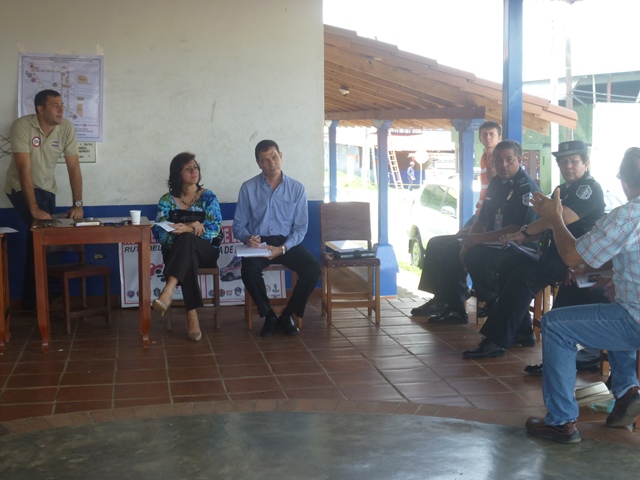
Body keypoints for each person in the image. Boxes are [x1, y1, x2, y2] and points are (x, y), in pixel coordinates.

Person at [525, 147, 640, 444]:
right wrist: (616, 276)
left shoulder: (629, 214)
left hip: (635, 321)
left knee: (554, 324)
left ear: (625, 182)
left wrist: (555, 218)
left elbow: (573, 257)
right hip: (629, 307)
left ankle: (561, 421)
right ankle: (627, 390)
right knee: (615, 302)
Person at [463, 140, 605, 359]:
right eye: (563, 162)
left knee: (523, 276)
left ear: (586, 163)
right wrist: (523, 235)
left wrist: (523, 232)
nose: (568, 166)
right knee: (510, 265)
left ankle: (497, 341)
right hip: (554, 253)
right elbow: (547, 222)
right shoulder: (563, 190)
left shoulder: (588, 189)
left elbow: (560, 219)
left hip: (576, 258)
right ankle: (521, 332)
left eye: (574, 161)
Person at [411, 140, 539, 324]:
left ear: (519, 160)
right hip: (494, 238)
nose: (503, 164)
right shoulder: (496, 183)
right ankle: (442, 299)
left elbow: (516, 229)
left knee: (463, 252)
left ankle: (489, 300)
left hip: (516, 243)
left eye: (509, 160)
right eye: (498, 160)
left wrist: (476, 239)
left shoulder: (525, 187)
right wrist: (470, 238)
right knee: (437, 243)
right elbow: (482, 219)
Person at [4, 89, 84, 312]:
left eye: (62, 105)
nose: (61, 110)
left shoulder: (66, 127)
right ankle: (42, 296)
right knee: (42, 232)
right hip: (20, 187)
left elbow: (74, 166)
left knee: (40, 239)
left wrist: (78, 204)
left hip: (47, 189)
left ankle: (34, 299)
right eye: (55, 106)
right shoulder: (22, 126)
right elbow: (23, 168)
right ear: (40, 109)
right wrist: (34, 209)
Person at [232, 139, 321, 337]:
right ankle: (269, 315)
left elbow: (300, 229)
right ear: (258, 163)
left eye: (274, 157)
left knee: (313, 269)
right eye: (265, 160)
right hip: (260, 243)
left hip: (287, 242)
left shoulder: (297, 188)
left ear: (281, 156)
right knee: (248, 270)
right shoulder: (248, 188)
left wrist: (283, 248)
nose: (271, 163)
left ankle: (288, 315)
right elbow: (238, 225)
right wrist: (248, 238)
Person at [151, 152, 223, 342]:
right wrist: (188, 230)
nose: (194, 171)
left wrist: (188, 229)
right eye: (188, 168)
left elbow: (215, 228)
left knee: (187, 240)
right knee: (186, 249)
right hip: (178, 253)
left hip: (206, 252)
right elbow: (159, 232)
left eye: (195, 167)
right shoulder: (166, 200)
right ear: (177, 173)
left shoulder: (208, 197)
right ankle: (192, 315)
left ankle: (168, 290)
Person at [475, 121, 502, 214]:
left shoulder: (501, 160)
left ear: (499, 138)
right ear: (480, 138)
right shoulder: (483, 158)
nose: (488, 137)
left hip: (493, 210)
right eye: (484, 134)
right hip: (481, 208)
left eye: (492, 134)